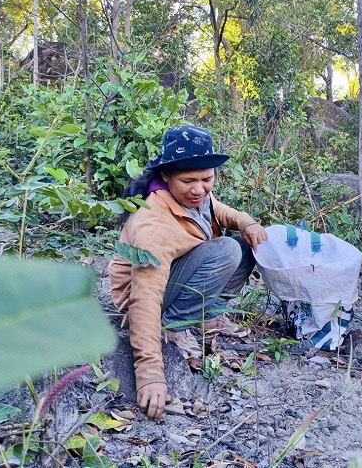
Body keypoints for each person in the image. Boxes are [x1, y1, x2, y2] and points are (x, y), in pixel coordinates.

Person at [108, 125, 268, 419]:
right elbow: (144, 295)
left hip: (177, 277)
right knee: (227, 250)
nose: (199, 189)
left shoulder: (197, 198)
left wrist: (248, 223)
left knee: (246, 245)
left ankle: (205, 316)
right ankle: (174, 325)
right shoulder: (153, 222)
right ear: (165, 176)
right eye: (188, 180)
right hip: (143, 297)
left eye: (207, 179)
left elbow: (221, 210)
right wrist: (150, 372)